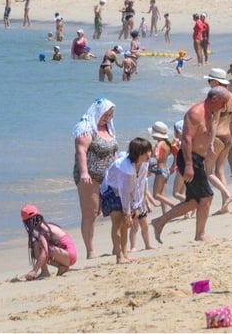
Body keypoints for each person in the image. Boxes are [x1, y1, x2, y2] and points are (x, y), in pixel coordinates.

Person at [152, 88, 230, 243]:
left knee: (194, 201)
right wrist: (188, 165)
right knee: (207, 196)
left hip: (198, 159)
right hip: (189, 158)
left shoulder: (212, 112)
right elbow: (186, 139)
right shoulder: (195, 113)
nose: (224, 107)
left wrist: (210, 145)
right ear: (214, 99)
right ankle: (200, 234)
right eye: (223, 103)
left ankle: (160, 221)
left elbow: (211, 127)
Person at [72, 98, 120, 259]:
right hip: (90, 176)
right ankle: (90, 250)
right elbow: (81, 152)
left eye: (110, 114)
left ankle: (117, 246)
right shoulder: (86, 129)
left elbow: (114, 151)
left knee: (116, 210)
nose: (107, 117)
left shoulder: (108, 128)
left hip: (110, 176)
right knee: (91, 212)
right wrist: (84, 172)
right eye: (105, 114)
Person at [100, 137, 152, 264]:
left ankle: (125, 253)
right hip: (111, 190)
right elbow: (124, 192)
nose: (149, 154)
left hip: (124, 191)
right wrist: (128, 212)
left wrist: (136, 206)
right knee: (118, 222)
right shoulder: (125, 168)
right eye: (146, 152)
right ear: (138, 153)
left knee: (126, 224)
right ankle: (119, 256)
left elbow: (139, 185)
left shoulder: (144, 164)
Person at [204, 68, 232, 211]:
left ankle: (227, 194)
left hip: (217, 137)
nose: (209, 83)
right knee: (220, 171)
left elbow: (215, 121)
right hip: (229, 135)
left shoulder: (217, 96)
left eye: (210, 81)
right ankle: (225, 204)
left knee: (208, 171)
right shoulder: (230, 96)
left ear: (215, 81)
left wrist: (210, 142)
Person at [19, 205, 76, 280]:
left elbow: (45, 252)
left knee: (37, 245)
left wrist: (34, 271)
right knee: (36, 246)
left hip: (68, 255)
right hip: (68, 255)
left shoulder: (43, 230)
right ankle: (61, 267)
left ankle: (44, 272)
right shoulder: (47, 226)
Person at [148, 123, 176, 215]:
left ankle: (172, 204)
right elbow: (175, 154)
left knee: (156, 195)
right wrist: (173, 165)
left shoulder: (159, 145)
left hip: (160, 171)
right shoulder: (168, 143)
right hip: (166, 170)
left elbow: (156, 157)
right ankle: (165, 213)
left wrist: (149, 167)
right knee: (162, 194)